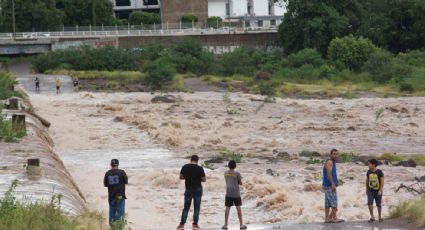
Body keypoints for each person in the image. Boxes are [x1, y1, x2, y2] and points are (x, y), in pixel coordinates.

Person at [177, 155, 206, 230]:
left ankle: (182, 224)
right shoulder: (199, 168)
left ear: (191, 160)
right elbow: (204, 179)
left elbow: (181, 177)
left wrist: (187, 177)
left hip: (188, 189)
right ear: (197, 160)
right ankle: (195, 224)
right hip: (198, 189)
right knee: (196, 207)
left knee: (186, 207)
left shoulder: (185, 167)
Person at [222, 160, 247, 230]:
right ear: (235, 166)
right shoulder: (237, 173)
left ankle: (225, 225)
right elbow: (240, 183)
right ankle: (241, 225)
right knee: (238, 209)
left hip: (228, 193)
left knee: (227, 208)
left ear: (228, 165)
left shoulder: (225, 173)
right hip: (236, 193)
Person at [104, 159, 128, 227]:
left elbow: (105, 184)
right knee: (120, 216)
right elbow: (126, 181)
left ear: (111, 165)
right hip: (120, 197)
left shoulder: (107, 173)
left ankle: (112, 228)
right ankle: (119, 228)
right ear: (118, 165)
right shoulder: (122, 172)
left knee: (112, 215)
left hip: (111, 197)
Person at [323, 149, 344, 223]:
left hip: (328, 185)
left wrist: (337, 182)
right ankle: (334, 218)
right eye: (334, 154)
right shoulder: (329, 162)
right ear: (330, 154)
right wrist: (332, 184)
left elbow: (333, 174)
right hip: (329, 185)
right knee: (334, 202)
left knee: (327, 203)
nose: (335, 155)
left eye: (336, 154)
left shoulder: (333, 162)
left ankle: (327, 219)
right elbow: (329, 174)